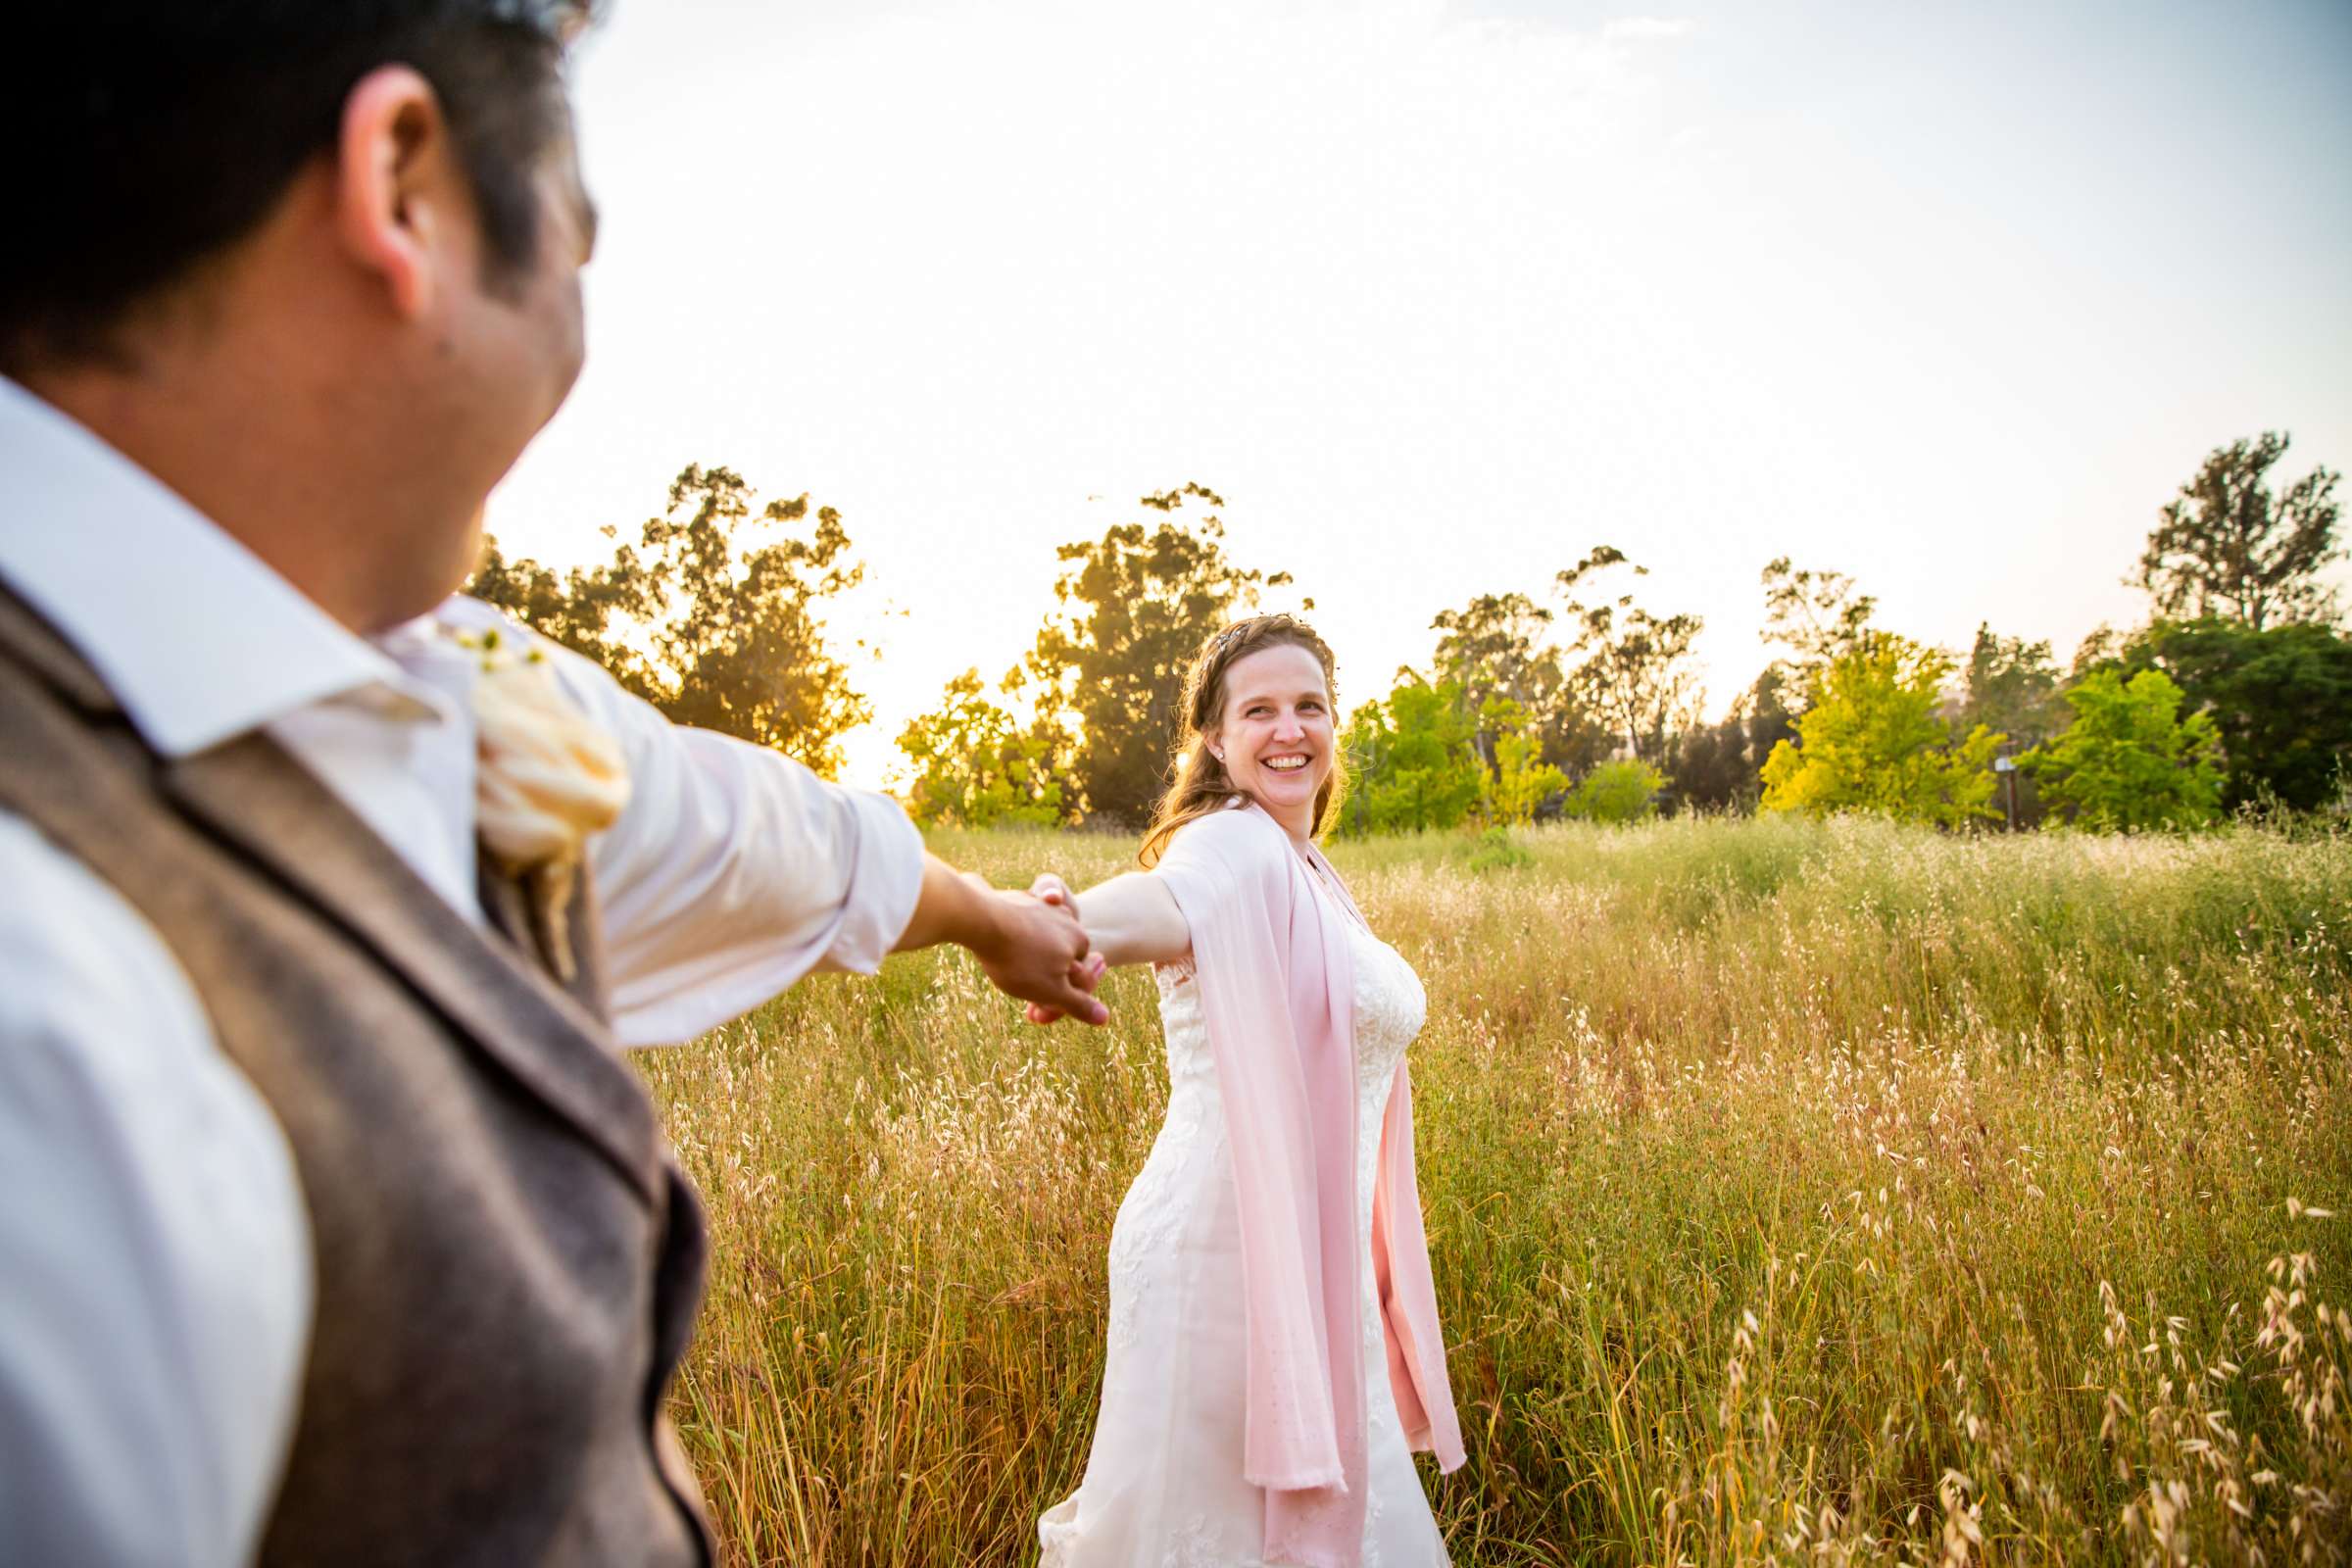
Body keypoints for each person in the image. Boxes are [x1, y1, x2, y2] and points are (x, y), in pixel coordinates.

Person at [0, 5, 1104, 1563]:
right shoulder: (42, 1001)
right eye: (577, 208)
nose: (586, 257)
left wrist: (987, 916)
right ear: (404, 184)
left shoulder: (411, 662)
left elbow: (749, 836)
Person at [1034, 614, 1465, 1568]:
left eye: (1309, 706)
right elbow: (1163, 902)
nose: (1288, 729)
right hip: (1220, 1260)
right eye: (1259, 709)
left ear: (1334, 726)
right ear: (1217, 742)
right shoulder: (1228, 845)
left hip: (1319, 1264)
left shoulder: (1311, 872)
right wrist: (1069, 925)